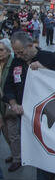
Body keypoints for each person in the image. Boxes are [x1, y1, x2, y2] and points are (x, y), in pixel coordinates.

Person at [3, 31, 55, 180]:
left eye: (22, 51)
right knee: (36, 150)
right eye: (17, 52)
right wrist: (13, 103)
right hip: (26, 116)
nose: (19, 55)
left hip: (48, 115)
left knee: (46, 148)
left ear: (31, 45)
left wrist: (44, 70)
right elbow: (8, 87)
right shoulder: (16, 62)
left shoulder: (48, 57)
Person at [0, 39, 20, 172]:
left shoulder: (13, 63)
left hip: (9, 103)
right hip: (1, 105)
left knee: (12, 133)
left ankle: (18, 158)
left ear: (8, 51)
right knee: (5, 132)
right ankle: (14, 153)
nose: (0, 53)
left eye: (1, 50)